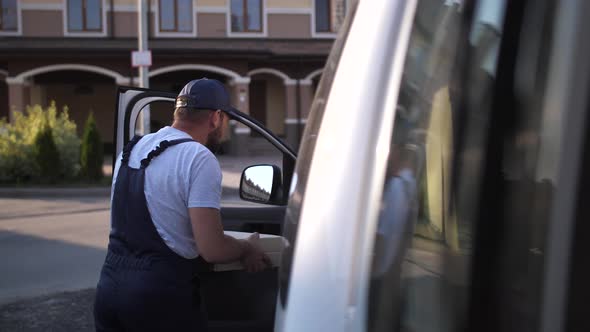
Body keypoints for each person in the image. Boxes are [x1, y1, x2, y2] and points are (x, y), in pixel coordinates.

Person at [94, 78, 270, 331]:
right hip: (158, 299)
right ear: (216, 118)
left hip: (109, 290)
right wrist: (246, 248)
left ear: (179, 111)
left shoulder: (131, 149)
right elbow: (212, 249)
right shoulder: (199, 158)